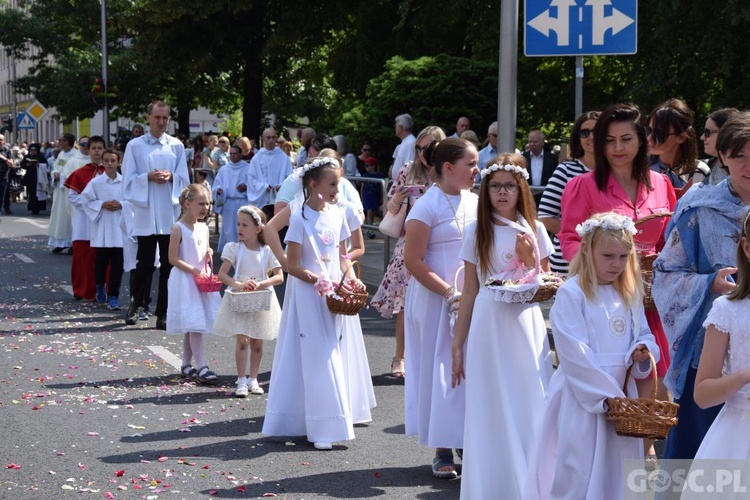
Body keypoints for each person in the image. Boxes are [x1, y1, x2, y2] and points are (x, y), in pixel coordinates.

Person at [559, 103, 676, 464]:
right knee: (613, 382)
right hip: (606, 297)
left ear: (642, 141)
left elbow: (668, 241)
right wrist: (610, 265)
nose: (617, 148)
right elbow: (569, 239)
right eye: (609, 140)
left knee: (658, 383)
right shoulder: (582, 185)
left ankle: (638, 455)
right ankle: (612, 463)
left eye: (626, 139)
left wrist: (659, 262)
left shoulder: (661, 183)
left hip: (654, 297)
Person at [524, 212, 659, 500]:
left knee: (617, 469)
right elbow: (574, 354)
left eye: (624, 257)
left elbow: (645, 334)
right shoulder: (573, 294)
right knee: (579, 467)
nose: (616, 264)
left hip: (623, 395)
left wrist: (643, 351)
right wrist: (610, 398)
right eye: (608, 255)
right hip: (584, 397)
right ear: (587, 250)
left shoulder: (630, 292)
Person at [451, 155, 554, 498]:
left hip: (524, 325)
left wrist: (529, 260)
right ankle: (493, 484)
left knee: (528, 397)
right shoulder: (475, 230)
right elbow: (470, 291)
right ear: (486, 190)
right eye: (495, 186)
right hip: (488, 325)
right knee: (491, 401)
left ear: (521, 188)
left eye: (510, 185)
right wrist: (457, 344)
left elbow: (544, 285)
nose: (503, 192)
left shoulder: (534, 229)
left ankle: (532, 481)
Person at [652, 112, 750, 461]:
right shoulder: (698, 209)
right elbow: (665, 274)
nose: (748, 165)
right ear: (722, 157)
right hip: (711, 353)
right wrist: (709, 283)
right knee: (701, 468)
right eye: (740, 155)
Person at [262, 157, 367, 450]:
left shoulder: (338, 215)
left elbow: (344, 257)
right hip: (310, 295)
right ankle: (323, 427)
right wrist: (316, 280)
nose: (337, 189)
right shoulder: (299, 219)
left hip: (333, 294)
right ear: (314, 185)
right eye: (332, 184)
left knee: (332, 350)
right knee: (318, 355)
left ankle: (321, 420)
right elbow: (293, 265)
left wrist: (350, 279)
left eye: (338, 183)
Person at [403, 137, 479, 478]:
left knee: (467, 369)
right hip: (435, 300)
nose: (478, 171)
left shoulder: (476, 202)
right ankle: (442, 447)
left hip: (470, 298)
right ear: (448, 168)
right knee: (440, 370)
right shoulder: (426, 206)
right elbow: (413, 261)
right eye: (472, 164)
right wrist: (449, 292)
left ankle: (466, 437)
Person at [673, 211, 750, 500]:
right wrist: (743, 376)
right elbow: (703, 394)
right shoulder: (728, 310)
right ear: (746, 247)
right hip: (737, 438)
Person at [371, 125, 444, 378]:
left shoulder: (447, 171)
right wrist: (400, 197)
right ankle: (399, 357)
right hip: (410, 245)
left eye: (429, 147)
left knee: (437, 301)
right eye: (420, 148)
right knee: (404, 304)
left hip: (440, 244)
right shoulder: (407, 169)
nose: (424, 153)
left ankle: (432, 356)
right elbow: (389, 207)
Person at [122, 100, 190, 329]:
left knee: (170, 265)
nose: (161, 122)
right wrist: (147, 178)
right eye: (157, 117)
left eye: (165, 118)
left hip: (169, 212)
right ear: (148, 117)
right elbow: (128, 179)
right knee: (144, 262)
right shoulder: (135, 145)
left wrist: (172, 177)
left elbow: (184, 180)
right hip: (146, 211)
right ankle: (136, 303)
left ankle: (163, 312)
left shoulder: (177, 146)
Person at [214, 205, 283, 397]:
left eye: (244, 224)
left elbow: (279, 277)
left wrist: (261, 283)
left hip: (260, 299)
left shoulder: (267, 251)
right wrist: (238, 284)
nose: (239, 228)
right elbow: (222, 274)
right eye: (238, 224)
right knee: (242, 340)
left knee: (257, 342)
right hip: (241, 298)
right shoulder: (234, 248)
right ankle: (241, 379)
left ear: (257, 228)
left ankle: (254, 378)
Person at [167, 184, 220, 383]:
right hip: (185, 281)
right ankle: (202, 366)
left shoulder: (203, 227)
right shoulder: (178, 228)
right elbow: (172, 258)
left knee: (194, 323)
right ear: (188, 204)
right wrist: (193, 270)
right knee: (195, 324)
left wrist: (208, 254)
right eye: (201, 203)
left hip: (201, 279)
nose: (205, 207)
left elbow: (203, 251)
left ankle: (186, 364)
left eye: (208, 203)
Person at [538, 110, 600, 275]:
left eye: (597, 131)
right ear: (578, 138)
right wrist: (579, 238)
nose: (590, 137)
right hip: (568, 262)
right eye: (585, 133)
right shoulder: (565, 170)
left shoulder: (615, 173)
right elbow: (545, 216)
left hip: (606, 260)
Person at [81, 148, 126, 310]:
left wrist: (121, 204)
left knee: (118, 264)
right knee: (100, 262)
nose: (109, 164)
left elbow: (133, 201)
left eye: (113, 160)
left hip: (119, 228)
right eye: (106, 160)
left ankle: (113, 295)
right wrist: (102, 204)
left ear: (118, 162)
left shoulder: (125, 182)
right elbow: (85, 200)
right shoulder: (96, 182)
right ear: (102, 162)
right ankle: (100, 285)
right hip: (102, 226)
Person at [64, 136, 106, 301]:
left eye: (99, 148)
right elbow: (73, 197)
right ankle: (82, 289)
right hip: (84, 222)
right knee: (84, 257)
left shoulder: (110, 173)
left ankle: (103, 290)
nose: (97, 151)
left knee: (104, 258)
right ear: (88, 150)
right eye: (94, 148)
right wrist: (93, 206)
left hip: (104, 221)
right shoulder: (80, 173)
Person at [647, 98, 709, 197]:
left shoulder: (700, 171)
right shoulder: (640, 168)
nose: (649, 138)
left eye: (659, 133)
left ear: (681, 137)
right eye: (649, 130)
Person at [247, 128, 293, 221]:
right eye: (268, 137)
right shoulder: (257, 158)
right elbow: (251, 179)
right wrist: (263, 187)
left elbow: (290, 176)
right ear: (263, 138)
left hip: (279, 199)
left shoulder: (283, 157)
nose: (271, 140)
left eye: (273, 137)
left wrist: (282, 186)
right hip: (263, 199)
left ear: (276, 138)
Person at [213, 145, 249, 253]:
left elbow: (253, 183)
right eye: (231, 154)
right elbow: (217, 185)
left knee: (243, 228)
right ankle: (231, 252)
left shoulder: (247, 168)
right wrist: (219, 190)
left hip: (243, 202)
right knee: (229, 230)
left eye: (235, 153)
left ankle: (244, 250)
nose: (233, 155)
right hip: (229, 203)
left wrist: (246, 187)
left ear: (240, 154)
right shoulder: (224, 169)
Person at [48, 133, 80, 253]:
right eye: (59, 140)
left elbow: (74, 173)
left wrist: (61, 176)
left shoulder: (76, 156)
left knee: (68, 216)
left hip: (68, 189)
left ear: (69, 142)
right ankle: (60, 242)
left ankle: (71, 243)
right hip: (59, 190)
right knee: (59, 216)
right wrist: (55, 173)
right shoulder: (61, 154)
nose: (60, 142)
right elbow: (56, 167)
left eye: (63, 140)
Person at [700, 108, 740, 186]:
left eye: (707, 132)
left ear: (726, 133)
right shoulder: (705, 167)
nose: (702, 137)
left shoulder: (743, 170)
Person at [522, 130, 559, 205]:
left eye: (535, 142)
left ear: (542, 143)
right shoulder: (523, 158)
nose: (532, 144)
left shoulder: (552, 159)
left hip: (546, 197)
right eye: (530, 142)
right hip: (527, 196)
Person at [21, 143, 50, 214]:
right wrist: (28, 164)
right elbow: (22, 164)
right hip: (30, 178)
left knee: (39, 193)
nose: (33, 151)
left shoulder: (41, 157)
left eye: (35, 150)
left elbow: (46, 165)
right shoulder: (27, 156)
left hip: (39, 177)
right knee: (31, 194)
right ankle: (32, 208)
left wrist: (39, 165)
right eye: (32, 150)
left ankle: (39, 207)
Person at [359, 157, 383, 238]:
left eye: (368, 165)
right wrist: (361, 198)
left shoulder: (378, 175)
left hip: (375, 196)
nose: (366, 167)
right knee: (369, 212)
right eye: (365, 165)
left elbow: (381, 188)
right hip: (367, 195)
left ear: (373, 166)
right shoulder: (365, 175)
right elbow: (362, 187)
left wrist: (382, 198)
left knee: (372, 213)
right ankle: (369, 229)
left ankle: (370, 227)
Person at [391, 113, 416, 181]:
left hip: (403, 185)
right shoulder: (405, 142)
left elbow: (408, 167)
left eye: (396, 126)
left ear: (401, 127)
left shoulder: (410, 143)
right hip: (398, 183)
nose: (395, 128)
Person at [0, 134, 12, 215]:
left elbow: (11, 164)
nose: (0, 141)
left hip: (3, 176)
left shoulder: (6, 150)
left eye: (1, 140)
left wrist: (5, 159)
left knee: (1, 197)